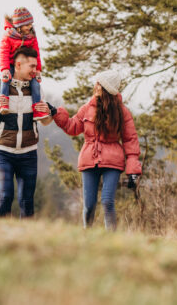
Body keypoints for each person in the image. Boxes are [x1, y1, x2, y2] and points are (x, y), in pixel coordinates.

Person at [47, 70, 142, 230]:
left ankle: (112, 241)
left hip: (113, 162)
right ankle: (87, 235)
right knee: (89, 205)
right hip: (89, 160)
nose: (95, 85)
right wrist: (56, 113)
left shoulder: (122, 112)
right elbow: (72, 126)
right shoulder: (87, 108)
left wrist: (133, 171)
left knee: (107, 201)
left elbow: (130, 140)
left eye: (99, 83)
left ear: (105, 88)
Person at [0, 46, 52, 218]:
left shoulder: (36, 89)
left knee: (27, 201)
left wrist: (47, 114)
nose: (36, 70)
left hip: (28, 153)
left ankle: (27, 239)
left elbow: (46, 122)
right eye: (31, 66)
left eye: (36, 66)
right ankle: (0, 236)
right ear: (17, 65)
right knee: (6, 195)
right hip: (2, 151)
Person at [0, 7, 47, 120]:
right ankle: (3, 102)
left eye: (31, 24)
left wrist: (38, 69)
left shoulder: (32, 36)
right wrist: (5, 68)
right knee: (5, 80)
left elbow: (36, 53)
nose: (30, 27)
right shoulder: (8, 36)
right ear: (18, 26)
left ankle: (37, 109)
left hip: (25, 65)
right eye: (27, 25)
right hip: (10, 63)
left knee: (35, 83)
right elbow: (3, 53)